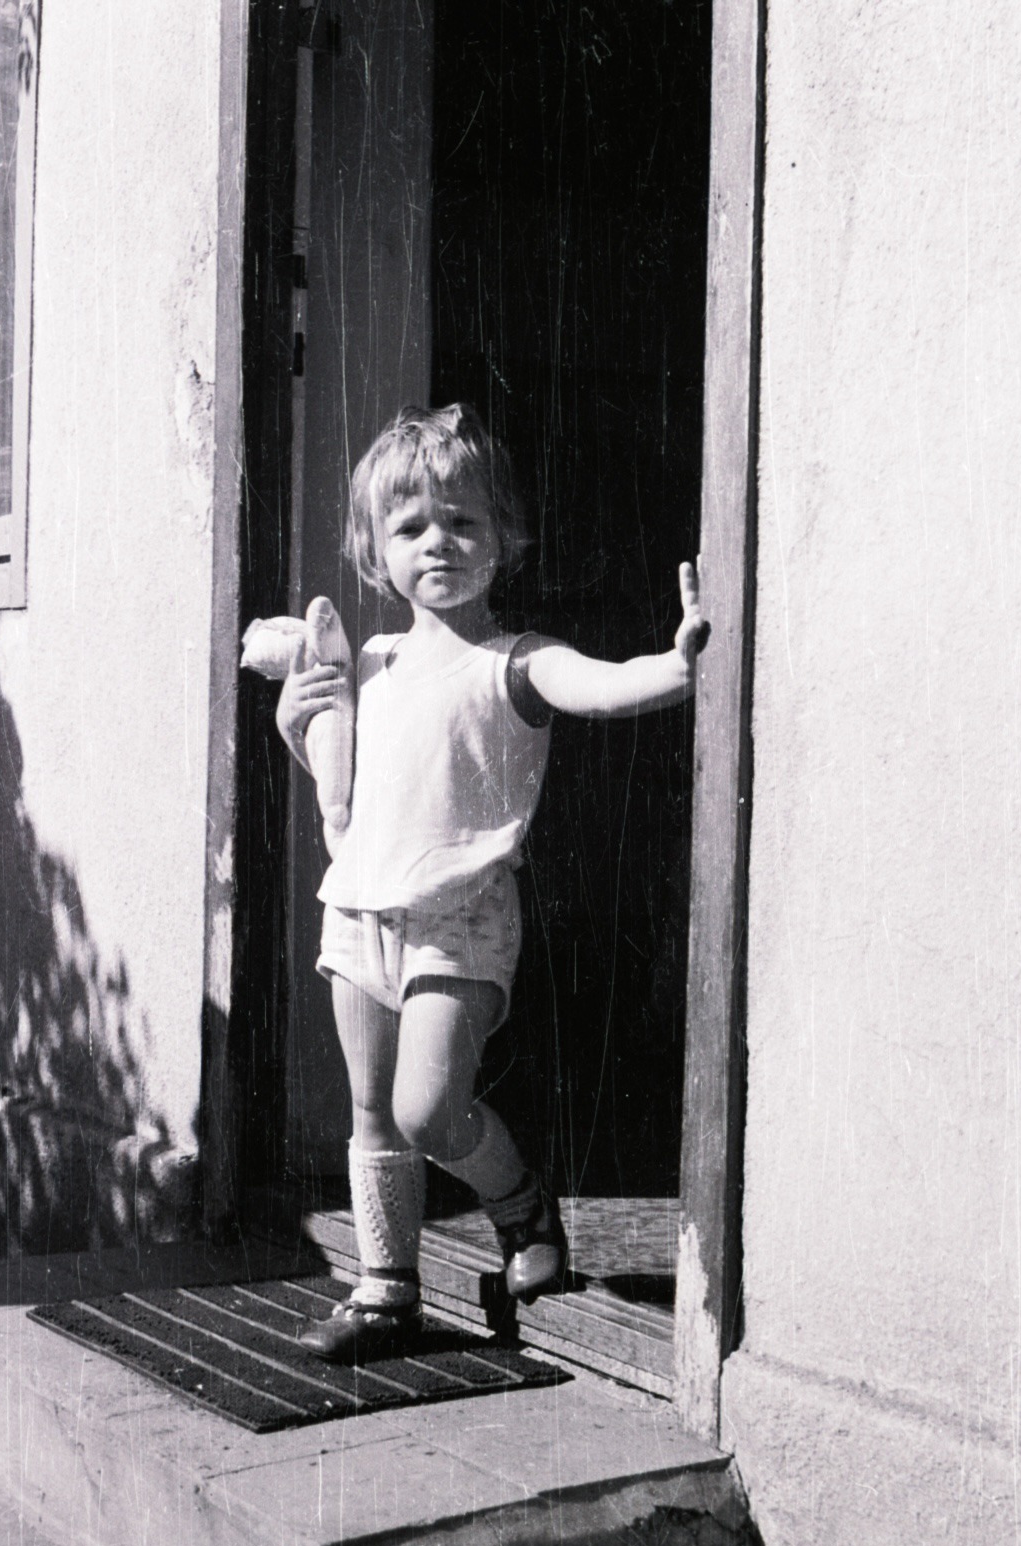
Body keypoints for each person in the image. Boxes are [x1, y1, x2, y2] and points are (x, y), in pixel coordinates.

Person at [276, 403, 703, 1361]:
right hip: (358, 911)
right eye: (411, 526)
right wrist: (297, 723)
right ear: (373, 548)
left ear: (505, 538)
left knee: (432, 1108)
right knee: (373, 1108)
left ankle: (520, 1204)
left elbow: (601, 683)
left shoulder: (518, 660)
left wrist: (673, 668)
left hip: (459, 920)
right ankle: (384, 1290)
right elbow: (348, 785)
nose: (439, 542)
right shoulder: (371, 664)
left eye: (464, 522)